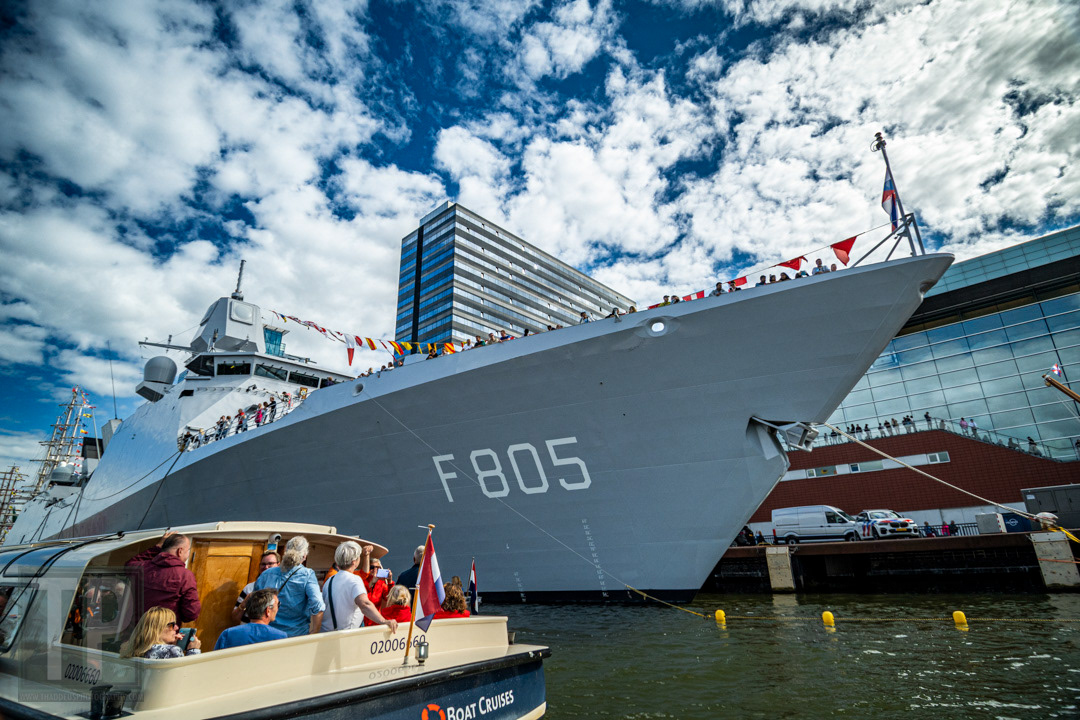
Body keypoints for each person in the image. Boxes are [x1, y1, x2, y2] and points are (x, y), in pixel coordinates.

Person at [254, 536, 324, 637]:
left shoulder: (266, 574)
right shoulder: (307, 575)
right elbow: (317, 603)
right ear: (304, 556)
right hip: (295, 635)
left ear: (285, 551)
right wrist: (314, 632)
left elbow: (255, 602)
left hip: (267, 633)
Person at [125, 531, 201, 624]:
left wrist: (157, 547)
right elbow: (191, 614)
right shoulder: (185, 576)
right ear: (180, 551)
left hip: (137, 630)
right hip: (164, 632)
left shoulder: (142, 568)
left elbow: (129, 564)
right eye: (188, 550)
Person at [321, 541, 398, 633]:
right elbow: (364, 604)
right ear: (354, 562)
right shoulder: (354, 579)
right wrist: (384, 621)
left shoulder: (329, 580)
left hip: (326, 633)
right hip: (345, 635)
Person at [215, 589, 287, 650]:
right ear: (268, 611)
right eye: (278, 604)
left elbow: (215, 662)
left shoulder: (228, 634)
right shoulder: (280, 637)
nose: (278, 609)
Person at [120, 606, 201, 659]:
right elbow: (188, 676)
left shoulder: (130, 648)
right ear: (157, 629)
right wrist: (193, 650)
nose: (176, 628)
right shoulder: (172, 650)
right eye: (171, 625)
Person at [231, 551, 280, 624]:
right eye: (263, 564)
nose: (266, 567)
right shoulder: (249, 588)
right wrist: (244, 603)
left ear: (278, 565)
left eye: (270, 563)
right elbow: (235, 618)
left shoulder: (284, 589)